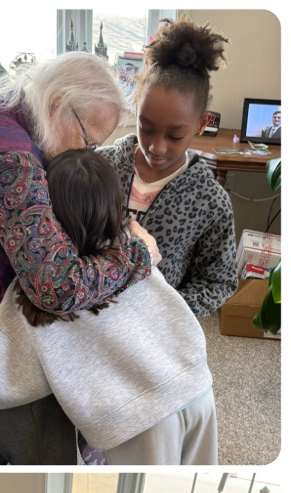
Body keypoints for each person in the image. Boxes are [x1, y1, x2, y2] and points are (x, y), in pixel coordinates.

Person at [0, 52, 157, 464]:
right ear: (57, 104)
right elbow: (58, 285)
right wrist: (138, 255)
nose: (88, 152)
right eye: (88, 141)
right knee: (45, 454)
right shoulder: (8, 162)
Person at [0, 148, 218, 466]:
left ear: (47, 215)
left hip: (140, 420)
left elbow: (2, 377)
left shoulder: (41, 290)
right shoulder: (136, 254)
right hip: (198, 388)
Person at [99, 16, 237, 320]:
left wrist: (167, 315)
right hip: (88, 319)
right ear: (136, 104)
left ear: (201, 124)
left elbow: (218, 281)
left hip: (153, 336)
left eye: (175, 135)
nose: (156, 147)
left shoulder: (210, 202)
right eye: (146, 128)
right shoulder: (100, 168)